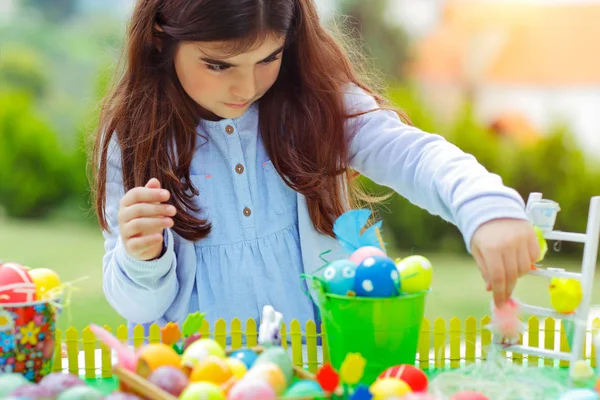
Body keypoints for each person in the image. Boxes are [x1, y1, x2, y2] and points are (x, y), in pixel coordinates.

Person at [91, 0, 541, 332]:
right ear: (159, 38)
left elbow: (412, 154)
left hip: (320, 374)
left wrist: (486, 204)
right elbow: (138, 306)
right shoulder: (133, 139)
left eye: (269, 57)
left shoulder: (318, 104)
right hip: (198, 380)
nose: (246, 86)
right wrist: (142, 258)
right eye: (218, 64)